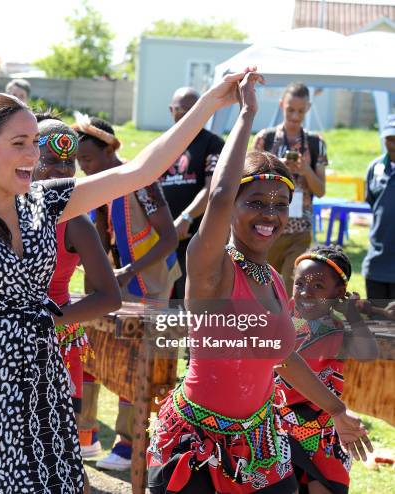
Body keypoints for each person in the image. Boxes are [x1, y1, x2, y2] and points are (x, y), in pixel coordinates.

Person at [0, 67, 265, 492]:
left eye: (34, 146)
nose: (33, 158)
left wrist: (211, 102)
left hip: (44, 386)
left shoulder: (48, 203)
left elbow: (141, 171)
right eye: (20, 144)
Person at [147, 72, 371, 494]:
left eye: (280, 205)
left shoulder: (272, 278)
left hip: (260, 445)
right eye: (255, 203)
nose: (270, 215)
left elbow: (282, 357)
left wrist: (337, 409)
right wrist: (247, 114)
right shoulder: (211, 268)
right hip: (196, 446)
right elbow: (217, 195)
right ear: (232, 206)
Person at [74, 116, 179, 471]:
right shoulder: (95, 188)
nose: (83, 168)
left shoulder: (142, 184)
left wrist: (129, 271)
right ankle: (84, 436)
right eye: (80, 161)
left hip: (148, 287)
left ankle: (129, 442)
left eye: (88, 159)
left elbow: (170, 238)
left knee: (134, 365)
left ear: (110, 150)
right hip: (113, 289)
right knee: (92, 354)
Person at [33, 114, 121, 494]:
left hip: (55, 345)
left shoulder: (74, 221)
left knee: (59, 447)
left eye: (68, 163)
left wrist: (55, 319)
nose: (61, 170)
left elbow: (108, 295)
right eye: (50, 160)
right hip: (1, 345)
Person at [276, 245, 377, 494]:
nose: (306, 293)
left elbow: (368, 353)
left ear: (338, 293)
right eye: (299, 284)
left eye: (318, 287)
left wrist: (353, 315)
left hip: (322, 424)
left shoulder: (337, 328)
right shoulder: (281, 317)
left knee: (323, 486)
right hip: (275, 421)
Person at [253, 82, 328, 295]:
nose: (295, 116)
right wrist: (278, 168)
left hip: (299, 230)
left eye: (301, 111)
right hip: (266, 227)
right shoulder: (264, 139)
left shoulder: (316, 143)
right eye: (290, 110)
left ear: (308, 109)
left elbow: (321, 190)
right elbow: (249, 181)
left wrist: (305, 170)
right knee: (263, 290)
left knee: (291, 289)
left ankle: (292, 328)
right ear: (281, 105)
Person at [162, 87, 225, 301]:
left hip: (197, 238)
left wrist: (185, 218)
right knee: (162, 304)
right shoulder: (163, 144)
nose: (187, 113)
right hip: (163, 238)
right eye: (181, 109)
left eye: (193, 109)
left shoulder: (212, 143)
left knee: (189, 300)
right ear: (171, 110)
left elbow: (212, 188)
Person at [362, 114, 395, 308]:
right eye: (390, 139)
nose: (393, 144)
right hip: (376, 262)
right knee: (377, 321)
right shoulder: (375, 168)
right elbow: (373, 202)